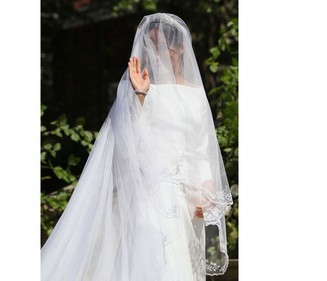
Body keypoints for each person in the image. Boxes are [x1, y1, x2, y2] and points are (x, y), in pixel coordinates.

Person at [41, 13, 233, 281]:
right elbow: (129, 143)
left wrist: (208, 189)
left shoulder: (195, 94)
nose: (153, 53)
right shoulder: (139, 87)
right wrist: (140, 96)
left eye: (159, 45)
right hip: (151, 193)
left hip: (187, 198)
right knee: (156, 264)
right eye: (148, 44)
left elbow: (200, 151)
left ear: (178, 50)